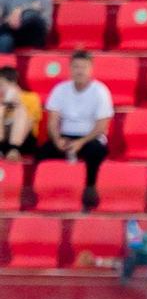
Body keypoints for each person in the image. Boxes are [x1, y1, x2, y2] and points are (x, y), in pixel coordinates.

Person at [37, 49, 114, 199]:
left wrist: (81, 142)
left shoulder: (100, 91)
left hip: (90, 138)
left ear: (90, 69)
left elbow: (102, 126)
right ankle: (46, 193)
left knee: (96, 151)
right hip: (65, 136)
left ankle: (90, 190)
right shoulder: (60, 89)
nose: (80, 71)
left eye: (83, 67)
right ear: (70, 69)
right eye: (76, 67)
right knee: (42, 153)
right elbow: (52, 121)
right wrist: (57, 139)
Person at [1, 65, 41, 159]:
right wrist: (3, 105)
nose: (0, 89)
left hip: (25, 140)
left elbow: (32, 120)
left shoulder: (31, 98)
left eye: (2, 85)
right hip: (4, 139)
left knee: (21, 111)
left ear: (13, 83)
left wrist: (18, 103)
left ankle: (14, 149)